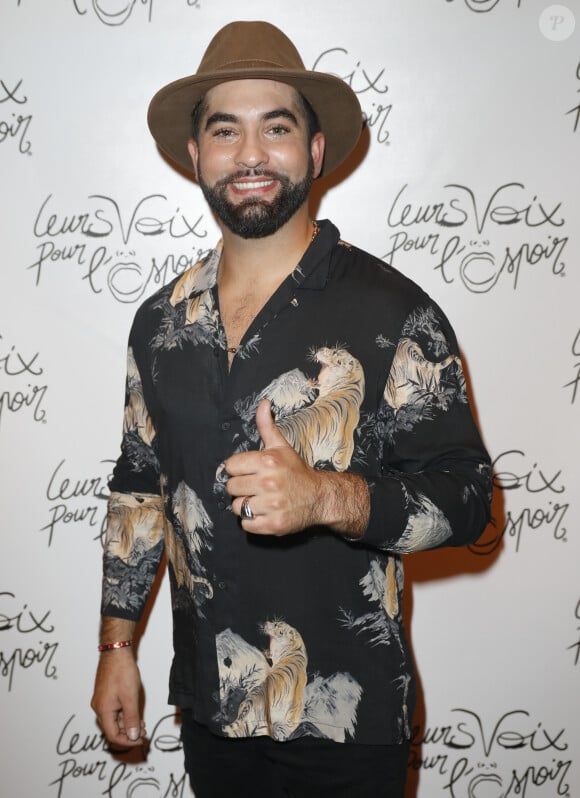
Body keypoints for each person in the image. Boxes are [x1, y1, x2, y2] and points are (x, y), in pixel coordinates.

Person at [91, 19, 492, 798]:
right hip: (210, 709)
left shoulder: (393, 314)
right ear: (194, 155)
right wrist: (116, 645)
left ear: (312, 152)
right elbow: (139, 485)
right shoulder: (160, 324)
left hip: (347, 724)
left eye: (275, 129)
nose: (248, 155)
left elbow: (471, 501)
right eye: (225, 131)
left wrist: (329, 498)